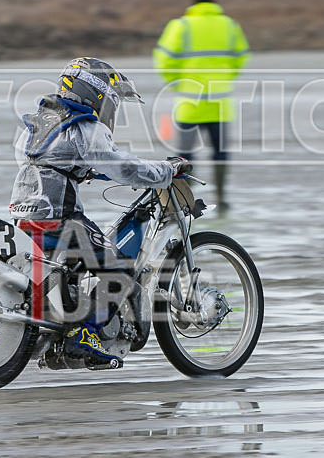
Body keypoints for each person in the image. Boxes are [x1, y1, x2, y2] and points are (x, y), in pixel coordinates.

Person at [10, 57, 191, 366]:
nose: (112, 109)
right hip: (60, 219)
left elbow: (48, 160)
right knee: (120, 269)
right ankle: (86, 333)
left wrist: (84, 170)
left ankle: (62, 326)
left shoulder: (38, 123)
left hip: (24, 218)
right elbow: (120, 165)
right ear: (95, 93)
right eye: (112, 100)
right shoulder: (85, 124)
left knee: (79, 265)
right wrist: (164, 170)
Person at [154, 0, 249, 214]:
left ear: (193, 0)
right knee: (220, 152)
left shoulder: (181, 26)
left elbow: (163, 58)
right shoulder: (229, 25)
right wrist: (226, 78)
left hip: (190, 102)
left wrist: (177, 82)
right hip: (220, 104)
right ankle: (222, 196)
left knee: (185, 155)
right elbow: (241, 56)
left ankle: (185, 200)